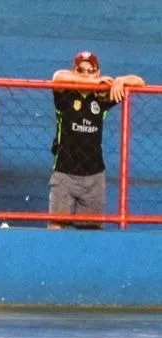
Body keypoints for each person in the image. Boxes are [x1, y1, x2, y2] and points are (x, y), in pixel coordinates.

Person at [49, 51, 144, 229]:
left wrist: (120, 80)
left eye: (91, 71)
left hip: (94, 177)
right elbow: (57, 76)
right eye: (81, 70)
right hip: (63, 173)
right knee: (55, 229)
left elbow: (139, 81)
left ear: (98, 72)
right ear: (74, 71)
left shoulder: (102, 98)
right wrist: (95, 82)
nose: (86, 74)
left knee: (91, 235)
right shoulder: (64, 94)